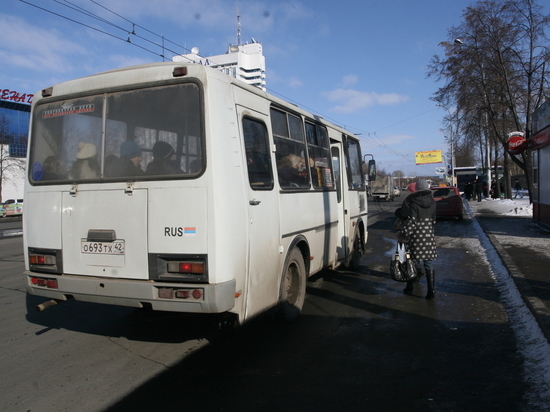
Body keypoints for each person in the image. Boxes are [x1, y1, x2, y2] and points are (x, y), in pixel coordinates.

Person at [395, 179, 437, 299]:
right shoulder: (433, 202)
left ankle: (410, 287)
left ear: (417, 189)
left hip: (415, 236)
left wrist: (403, 235)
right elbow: (434, 220)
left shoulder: (413, 202)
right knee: (428, 264)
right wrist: (428, 229)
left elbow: (412, 221)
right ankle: (431, 291)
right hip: (428, 236)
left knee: (412, 262)